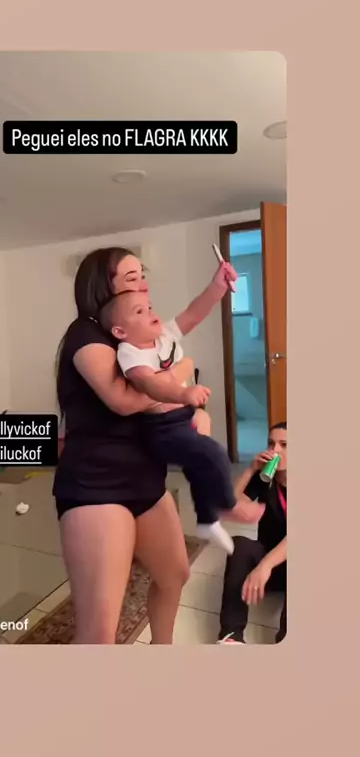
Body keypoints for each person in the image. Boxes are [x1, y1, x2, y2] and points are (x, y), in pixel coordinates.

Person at [53, 246, 237, 644]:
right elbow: (122, 400)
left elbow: (188, 319)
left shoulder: (145, 332)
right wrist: (183, 371)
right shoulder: (87, 334)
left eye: (143, 275)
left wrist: (216, 288)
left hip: (146, 479)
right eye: (130, 278)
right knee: (100, 631)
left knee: (174, 575)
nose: (142, 285)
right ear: (102, 289)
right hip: (97, 486)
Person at [99, 291, 264, 552]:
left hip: (183, 417)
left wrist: (217, 286)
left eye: (149, 307)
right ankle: (228, 504)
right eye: (139, 312)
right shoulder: (129, 352)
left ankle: (207, 521)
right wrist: (183, 394)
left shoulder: (164, 335)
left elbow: (193, 314)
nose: (151, 313)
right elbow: (149, 384)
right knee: (213, 454)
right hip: (161, 428)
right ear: (120, 331)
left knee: (198, 467)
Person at [217, 422, 287, 644]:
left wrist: (265, 565)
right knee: (239, 545)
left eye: (284, 445)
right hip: (269, 565)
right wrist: (251, 470)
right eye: (271, 443)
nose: (275, 450)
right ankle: (231, 636)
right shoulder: (266, 477)